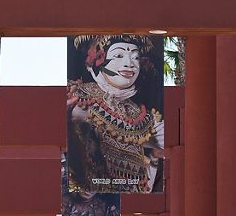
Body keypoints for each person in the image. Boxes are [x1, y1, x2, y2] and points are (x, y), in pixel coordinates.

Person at [66, 35, 165, 193]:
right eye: (118, 55)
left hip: (128, 199)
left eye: (136, 57)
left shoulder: (144, 118)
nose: (129, 64)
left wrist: (153, 158)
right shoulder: (75, 96)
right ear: (99, 60)